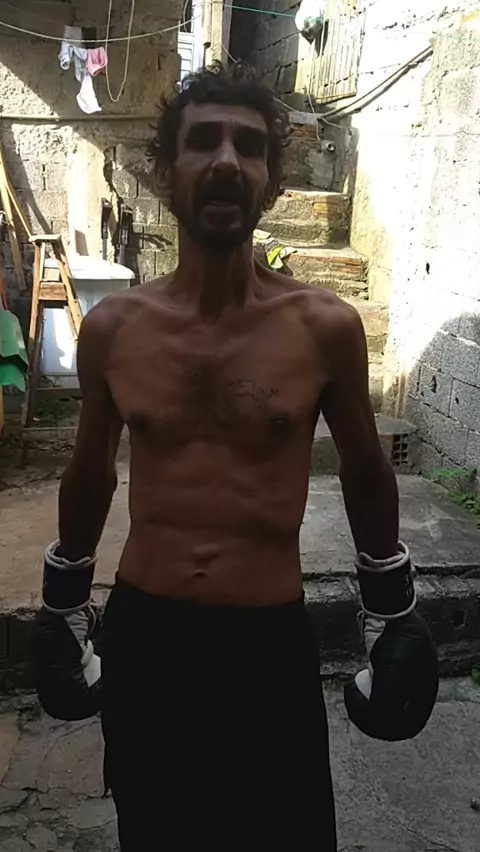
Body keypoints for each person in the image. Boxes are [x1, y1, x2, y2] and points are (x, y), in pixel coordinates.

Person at [31, 63, 438, 851]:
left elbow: (365, 470)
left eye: (249, 146)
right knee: (156, 830)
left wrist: (393, 612)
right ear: (166, 173)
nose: (226, 160)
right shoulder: (116, 330)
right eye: (204, 142)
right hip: (148, 636)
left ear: (271, 184)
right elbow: (90, 471)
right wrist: (62, 604)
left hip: (265, 642)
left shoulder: (324, 328)